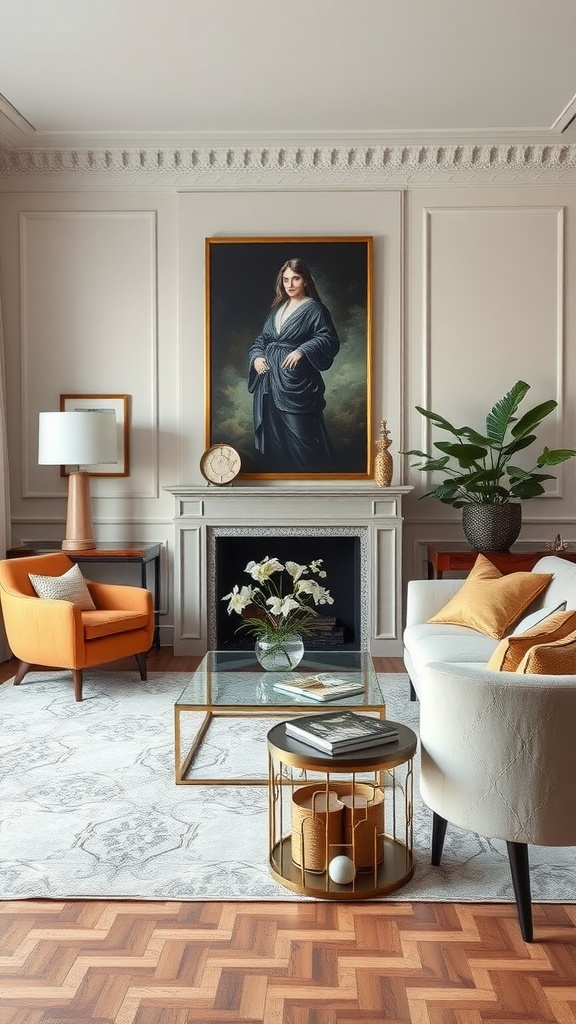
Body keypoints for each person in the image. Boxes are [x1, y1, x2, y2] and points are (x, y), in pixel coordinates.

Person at [247, 258, 340, 473]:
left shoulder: (315, 309)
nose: (290, 284)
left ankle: (312, 489)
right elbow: (262, 339)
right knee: (276, 441)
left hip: (296, 383)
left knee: (303, 441)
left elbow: (328, 339)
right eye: (286, 279)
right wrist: (257, 356)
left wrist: (302, 350)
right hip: (268, 383)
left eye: (295, 278)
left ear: (305, 280)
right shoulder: (277, 310)